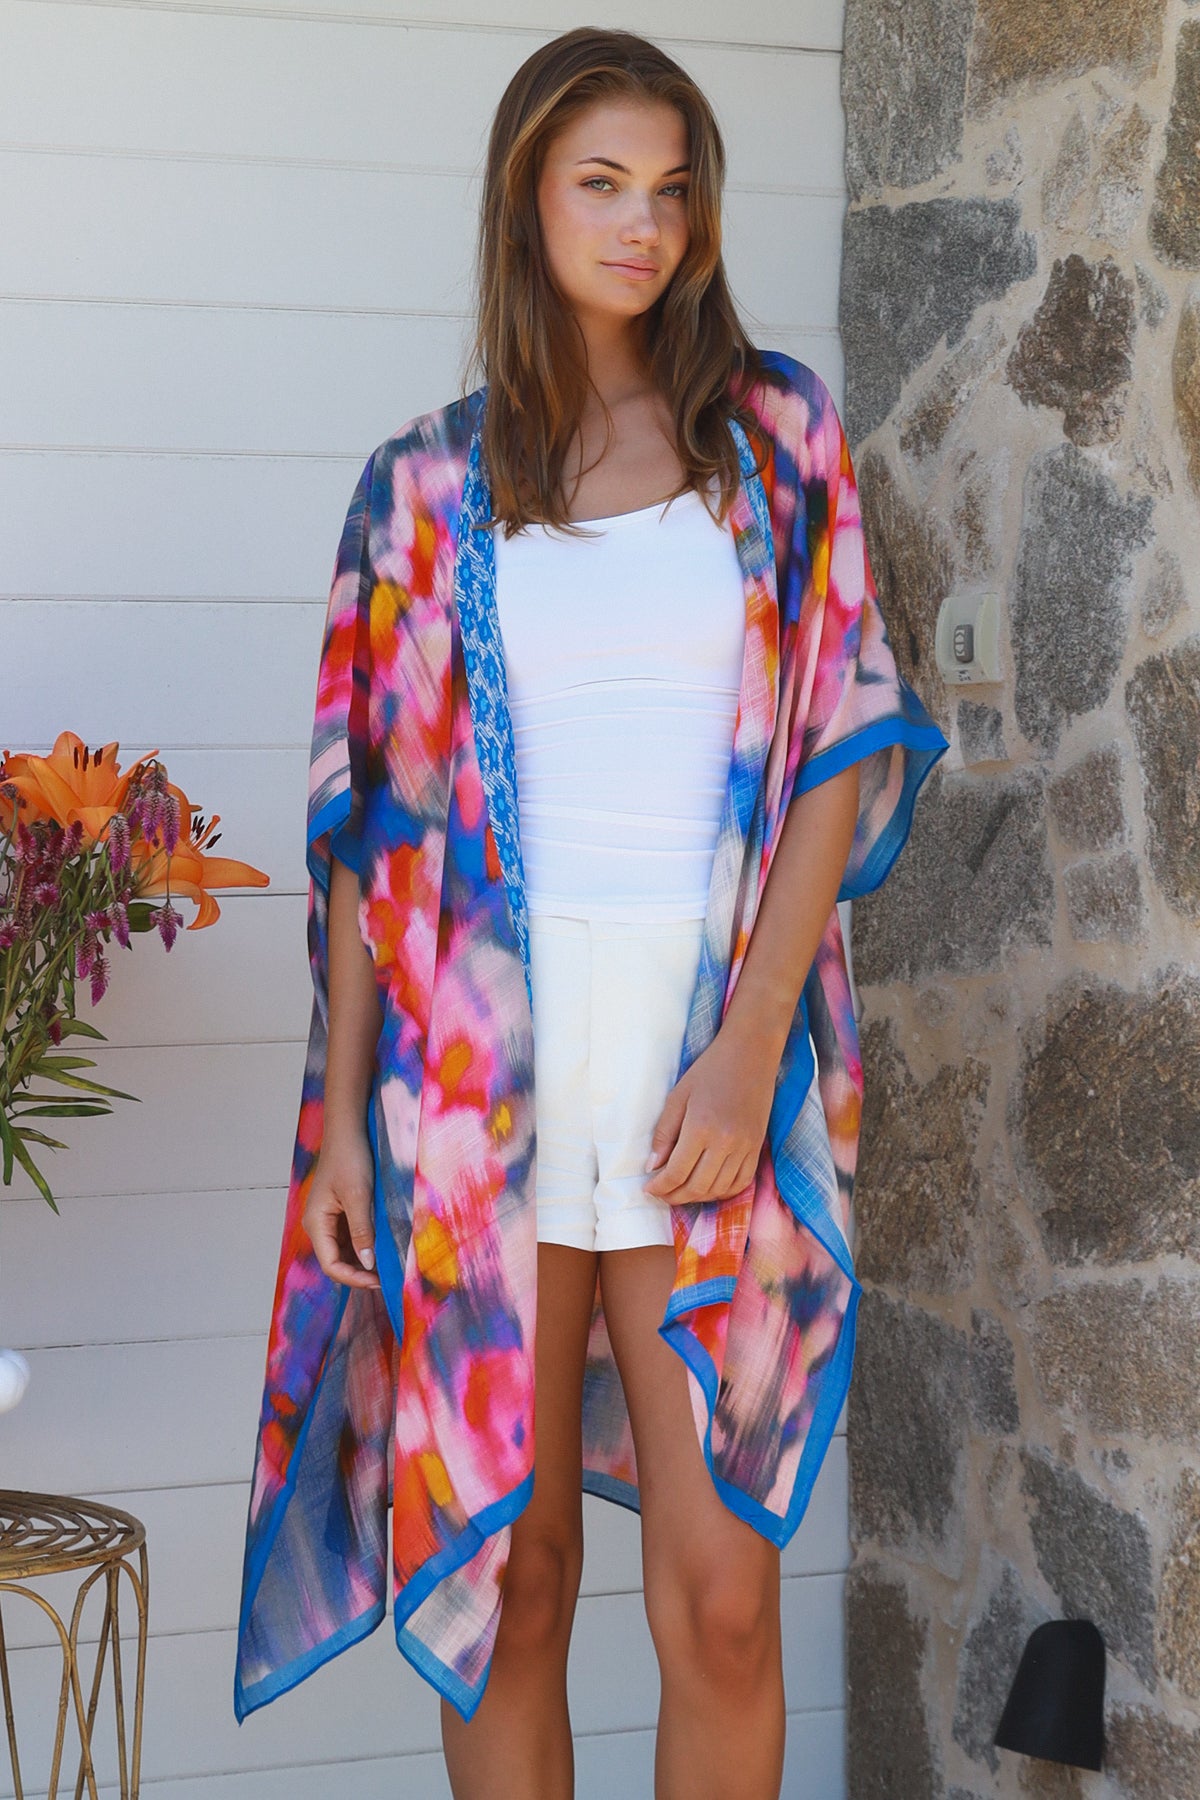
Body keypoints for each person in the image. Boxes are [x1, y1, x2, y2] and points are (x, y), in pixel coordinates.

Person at [234, 26, 948, 1800]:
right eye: (603, 184)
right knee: (519, 1581)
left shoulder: (776, 438)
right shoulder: (420, 488)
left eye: (674, 190)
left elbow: (842, 744)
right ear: (526, 202)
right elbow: (368, 834)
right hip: (482, 1095)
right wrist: (343, 1124)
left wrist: (754, 1044)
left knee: (722, 1603)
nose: (644, 226)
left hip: (709, 1060)